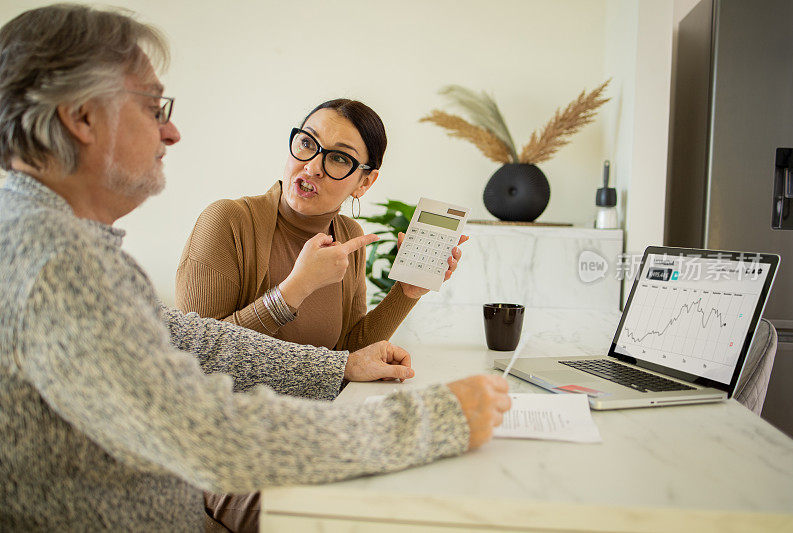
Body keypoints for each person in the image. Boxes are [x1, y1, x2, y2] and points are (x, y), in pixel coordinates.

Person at [0, 4, 511, 531]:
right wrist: (434, 420)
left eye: (337, 158)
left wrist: (345, 361)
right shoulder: (60, 261)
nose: (172, 132)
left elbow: (196, 340)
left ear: (364, 180)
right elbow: (205, 429)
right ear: (81, 117)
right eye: (154, 108)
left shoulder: (56, 242)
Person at [175, 98, 468, 351]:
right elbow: (198, 353)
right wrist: (296, 288)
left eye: (339, 158)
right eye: (306, 143)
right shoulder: (226, 220)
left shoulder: (348, 236)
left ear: (364, 182)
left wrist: (406, 292)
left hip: (318, 413)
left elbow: (346, 354)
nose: (313, 167)